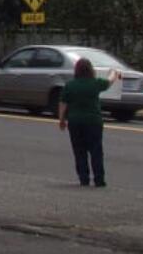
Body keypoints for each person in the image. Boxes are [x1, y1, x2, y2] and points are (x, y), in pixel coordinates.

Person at [58, 57, 120, 187]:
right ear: (90, 70)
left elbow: (63, 103)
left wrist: (62, 119)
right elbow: (109, 81)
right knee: (96, 150)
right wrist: (114, 73)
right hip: (93, 121)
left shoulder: (70, 85)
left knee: (79, 150)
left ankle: (83, 178)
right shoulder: (95, 83)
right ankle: (99, 179)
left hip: (75, 121)